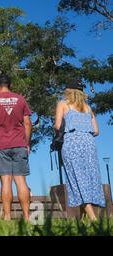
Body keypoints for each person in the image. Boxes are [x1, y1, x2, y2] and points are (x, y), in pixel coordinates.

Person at [0, 74, 32, 221]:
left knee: (5, 181)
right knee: (21, 181)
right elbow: (28, 124)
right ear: (9, 84)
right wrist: (27, 143)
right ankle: (27, 217)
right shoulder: (20, 99)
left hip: (0, 145)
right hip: (19, 144)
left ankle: (7, 217)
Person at [54, 79, 105, 220]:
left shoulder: (63, 104)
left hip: (72, 143)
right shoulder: (88, 108)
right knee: (88, 178)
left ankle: (93, 218)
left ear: (68, 91)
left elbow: (57, 125)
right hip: (89, 144)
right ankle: (82, 221)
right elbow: (96, 131)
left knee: (76, 179)